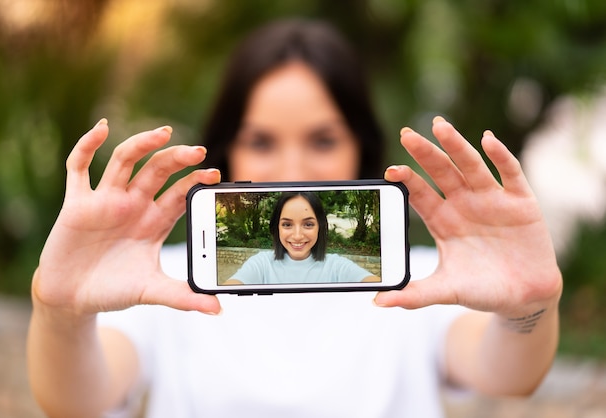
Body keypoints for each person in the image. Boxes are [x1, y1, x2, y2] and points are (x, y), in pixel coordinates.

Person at [27, 19, 563, 418]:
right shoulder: (162, 279)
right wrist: (62, 314)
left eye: (322, 139)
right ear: (226, 149)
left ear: (361, 146)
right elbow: (76, 400)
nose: (291, 167)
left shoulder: (424, 280)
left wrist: (528, 306)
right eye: (261, 141)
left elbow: (509, 372)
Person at [225, 191, 380, 285]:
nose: (298, 236)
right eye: (287, 225)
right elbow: (228, 292)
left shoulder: (336, 266)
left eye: (308, 224)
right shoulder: (261, 264)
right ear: (276, 227)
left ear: (320, 226)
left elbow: (380, 289)